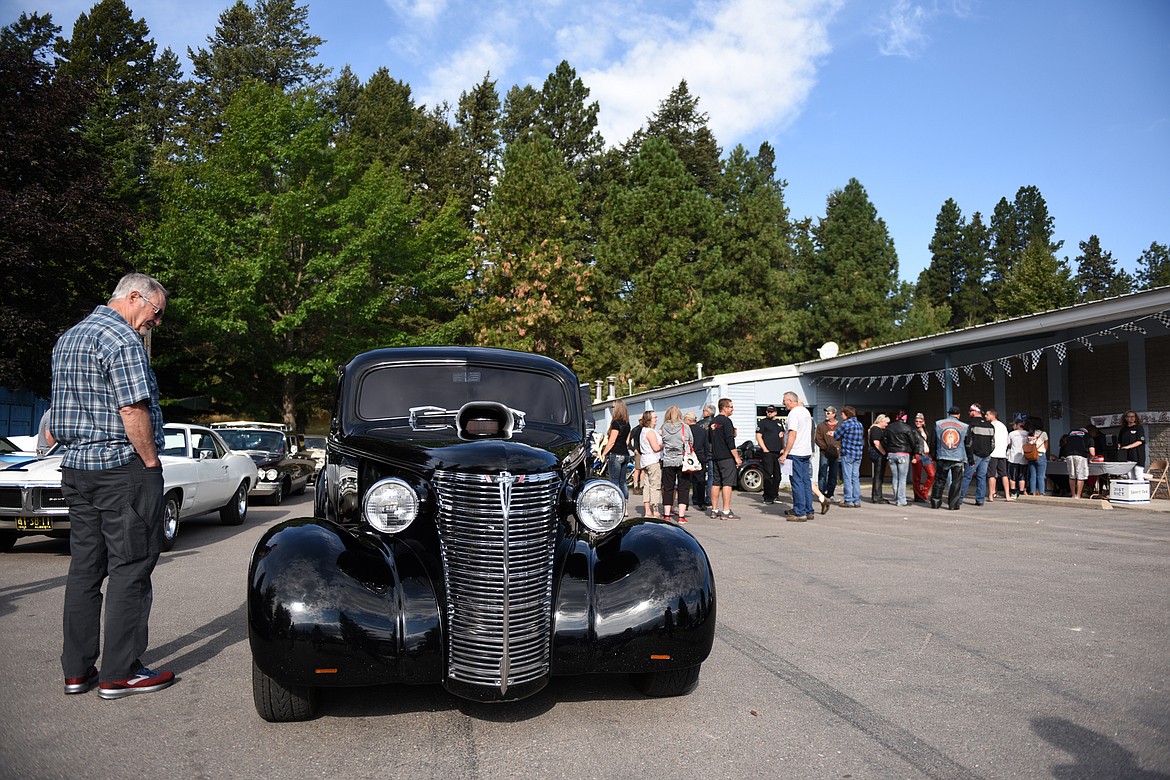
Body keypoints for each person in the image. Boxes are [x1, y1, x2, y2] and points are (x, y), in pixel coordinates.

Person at [50, 272, 176, 699]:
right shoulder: (122, 341)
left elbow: (55, 415)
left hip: (77, 470)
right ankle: (120, 673)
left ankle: (77, 672)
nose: (155, 323)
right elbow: (131, 408)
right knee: (131, 567)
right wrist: (151, 463)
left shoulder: (68, 338)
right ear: (135, 296)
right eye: (156, 313)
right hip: (121, 470)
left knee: (85, 570)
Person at [779, 391, 816, 521]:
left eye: (784, 400)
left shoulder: (793, 413)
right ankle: (808, 510)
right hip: (806, 451)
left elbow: (793, 434)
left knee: (797, 482)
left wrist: (785, 452)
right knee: (806, 481)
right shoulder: (805, 412)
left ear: (790, 400)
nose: (783, 403)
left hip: (795, 452)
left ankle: (800, 513)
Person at [659, 406, 694, 523]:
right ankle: (681, 516)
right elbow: (691, 441)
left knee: (668, 487)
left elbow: (662, 441)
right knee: (683, 487)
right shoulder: (685, 427)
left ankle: (667, 514)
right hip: (682, 460)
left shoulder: (664, 428)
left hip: (668, 460)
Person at [708, 398, 742, 519]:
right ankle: (726, 511)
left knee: (716, 482)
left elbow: (710, 440)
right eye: (731, 407)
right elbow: (730, 441)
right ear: (724, 408)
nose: (732, 409)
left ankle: (714, 510)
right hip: (726, 457)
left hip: (715, 456)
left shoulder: (713, 422)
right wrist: (737, 457)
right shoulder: (727, 422)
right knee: (727, 483)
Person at [931, 406, 970, 510]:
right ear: (959, 415)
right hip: (958, 457)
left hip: (942, 456)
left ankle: (935, 503)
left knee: (939, 480)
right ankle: (953, 505)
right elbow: (968, 444)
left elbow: (933, 441)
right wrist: (970, 459)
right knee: (956, 482)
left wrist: (933, 455)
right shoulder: (965, 426)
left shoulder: (938, 424)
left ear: (949, 413)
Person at [882, 411, 919, 507]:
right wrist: (914, 452)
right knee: (902, 478)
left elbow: (884, 439)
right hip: (903, 453)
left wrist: (888, 449)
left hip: (891, 454)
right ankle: (901, 500)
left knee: (895, 477)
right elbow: (913, 442)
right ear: (905, 418)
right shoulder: (907, 428)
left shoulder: (889, 427)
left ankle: (896, 497)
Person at [959, 403, 993, 505]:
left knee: (967, 477)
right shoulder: (990, 425)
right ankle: (980, 500)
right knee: (981, 477)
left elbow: (968, 442)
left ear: (975, 411)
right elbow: (993, 443)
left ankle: (959, 498)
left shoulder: (971, 424)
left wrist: (970, 457)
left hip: (974, 455)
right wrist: (988, 452)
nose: (968, 413)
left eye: (970, 411)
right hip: (986, 455)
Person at [833, 406, 865, 508]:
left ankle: (848, 500)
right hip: (858, 454)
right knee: (855, 477)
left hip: (847, 453)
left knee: (847, 477)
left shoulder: (846, 424)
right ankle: (857, 500)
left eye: (842, 414)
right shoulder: (859, 424)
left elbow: (836, 436)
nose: (841, 416)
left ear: (847, 414)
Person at [598, 400, 631, 499]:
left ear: (617, 409)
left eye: (613, 407)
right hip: (625, 453)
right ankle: (625, 505)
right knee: (623, 482)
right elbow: (627, 442)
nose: (612, 409)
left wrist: (603, 453)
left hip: (616, 453)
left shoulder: (616, 423)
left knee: (614, 481)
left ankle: (616, 503)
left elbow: (612, 441)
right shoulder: (627, 423)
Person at [755, 405, 784, 505]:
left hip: (778, 452)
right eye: (768, 412)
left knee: (777, 476)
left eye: (771, 412)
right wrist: (765, 449)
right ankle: (767, 496)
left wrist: (783, 448)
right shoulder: (763, 423)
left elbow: (782, 436)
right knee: (768, 475)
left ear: (775, 412)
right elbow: (758, 436)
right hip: (768, 452)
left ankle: (775, 495)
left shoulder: (779, 423)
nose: (769, 413)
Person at [638, 410, 663, 518]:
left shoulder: (643, 431)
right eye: (654, 417)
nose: (656, 419)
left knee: (647, 485)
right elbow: (656, 448)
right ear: (649, 420)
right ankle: (655, 509)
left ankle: (647, 510)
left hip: (645, 460)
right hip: (652, 460)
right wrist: (664, 445)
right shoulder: (650, 432)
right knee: (655, 485)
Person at [985, 409, 1012, 502]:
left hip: (993, 453)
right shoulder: (1003, 426)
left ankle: (991, 495)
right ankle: (1007, 495)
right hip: (1002, 453)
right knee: (1004, 474)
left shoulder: (991, 426)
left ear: (993, 415)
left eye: (987, 414)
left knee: (991, 474)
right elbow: (1008, 441)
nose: (985, 416)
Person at [815, 406, 840, 503]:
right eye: (826, 412)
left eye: (828, 413)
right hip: (824, 453)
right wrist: (826, 448)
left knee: (833, 475)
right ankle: (821, 494)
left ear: (834, 414)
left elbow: (842, 438)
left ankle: (830, 494)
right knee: (822, 473)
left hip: (835, 454)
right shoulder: (821, 426)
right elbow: (818, 439)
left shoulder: (839, 426)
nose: (826, 414)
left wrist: (838, 448)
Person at [693, 404, 716, 510]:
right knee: (711, 475)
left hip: (701, 452)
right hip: (713, 451)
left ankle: (696, 496)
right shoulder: (717, 423)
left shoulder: (700, 424)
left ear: (707, 412)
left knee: (697, 475)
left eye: (703, 410)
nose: (703, 412)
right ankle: (708, 497)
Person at [685, 411, 710, 511]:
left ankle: (684, 503)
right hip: (700, 457)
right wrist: (705, 456)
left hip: (688, 457)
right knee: (700, 481)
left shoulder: (686, 431)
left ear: (688, 420)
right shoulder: (702, 431)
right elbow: (706, 445)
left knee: (686, 481)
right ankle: (701, 502)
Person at [1062, 426, 1095, 499]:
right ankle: (1078, 495)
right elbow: (1092, 453)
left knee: (1072, 476)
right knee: (1080, 477)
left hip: (1069, 455)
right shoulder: (1088, 436)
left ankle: (1073, 495)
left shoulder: (1070, 434)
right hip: (1081, 456)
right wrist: (1090, 459)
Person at [911, 412, 935, 503]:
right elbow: (912, 444)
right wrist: (913, 456)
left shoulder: (926, 431)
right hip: (917, 454)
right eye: (916, 421)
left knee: (932, 474)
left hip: (926, 455)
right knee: (917, 477)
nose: (918, 423)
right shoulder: (913, 431)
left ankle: (924, 492)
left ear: (923, 422)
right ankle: (918, 496)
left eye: (920, 421)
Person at [1117, 410, 1147, 480]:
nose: (1132, 418)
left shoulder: (1139, 428)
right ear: (1126, 418)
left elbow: (1140, 441)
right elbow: (1119, 442)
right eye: (1129, 417)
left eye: (1133, 416)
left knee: (1138, 474)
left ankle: (1141, 490)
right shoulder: (1123, 429)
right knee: (1130, 476)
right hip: (1127, 455)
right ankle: (1132, 490)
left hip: (1137, 455)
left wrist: (1129, 446)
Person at [868, 414, 890, 504]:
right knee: (878, 475)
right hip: (878, 455)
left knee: (879, 475)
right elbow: (876, 443)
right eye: (886, 422)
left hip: (877, 454)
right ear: (881, 421)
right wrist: (884, 453)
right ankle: (877, 496)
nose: (887, 425)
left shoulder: (874, 429)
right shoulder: (876, 429)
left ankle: (878, 495)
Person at [1007, 417, 1030, 498]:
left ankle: (1013, 492)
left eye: (1014, 424)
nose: (1013, 426)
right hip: (1024, 458)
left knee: (1012, 476)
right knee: (1022, 476)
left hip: (1013, 458)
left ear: (1018, 425)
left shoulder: (1012, 434)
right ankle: (1021, 492)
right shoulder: (1027, 433)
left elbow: (1009, 444)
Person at [1026, 418, 1050, 496]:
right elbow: (1046, 444)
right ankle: (1041, 492)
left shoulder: (1029, 433)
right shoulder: (1043, 433)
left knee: (1033, 475)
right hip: (1040, 454)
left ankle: (1033, 492)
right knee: (1041, 475)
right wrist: (1044, 451)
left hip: (1031, 455)